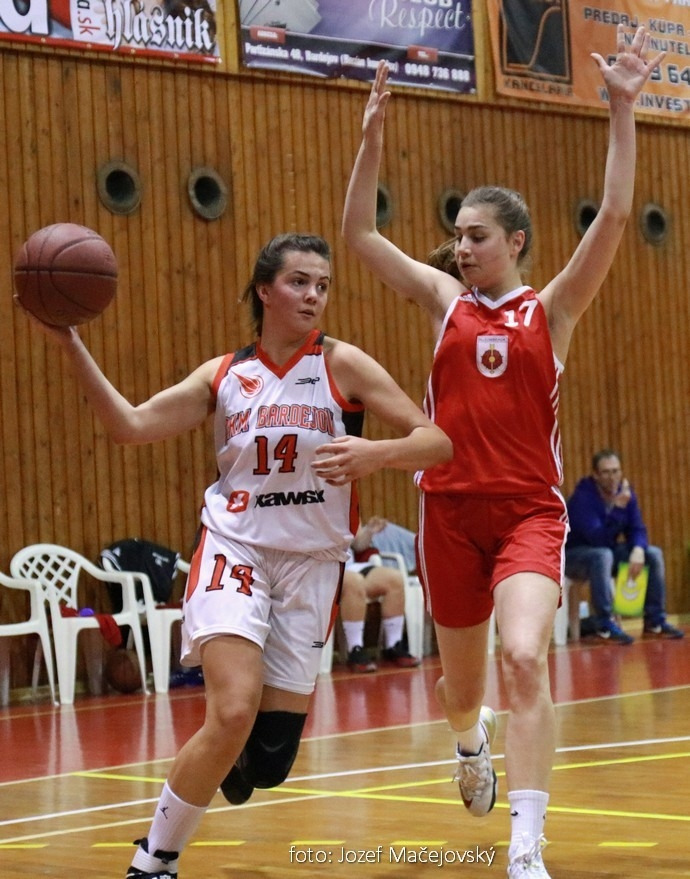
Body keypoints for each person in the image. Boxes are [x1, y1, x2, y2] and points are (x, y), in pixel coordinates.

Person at [15, 232, 452, 879]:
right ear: (264, 290)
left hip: (312, 563)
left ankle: (229, 758)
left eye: (323, 285)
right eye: (299, 281)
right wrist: (69, 341)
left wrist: (376, 453)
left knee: (268, 762)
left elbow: (437, 441)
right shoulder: (224, 376)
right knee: (232, 708)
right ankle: (154, 860)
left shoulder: (344, 365)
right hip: (235, 548)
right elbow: (130, 425)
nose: (314, 295)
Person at [342, 27, 662, 879]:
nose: (461, 246)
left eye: (476, 234)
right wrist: (371, 141)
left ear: (514, 241)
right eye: (457, 234)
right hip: (448, 511)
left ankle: (526, 848)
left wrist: (622, 110)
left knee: (523, 657)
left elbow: (615, 215)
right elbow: (360, 235)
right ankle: (466, 741)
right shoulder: (444, 300)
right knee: (461, 691)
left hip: (526, 512)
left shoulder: (552, 311)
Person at [565, 449, 684, 644]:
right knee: (602, 555)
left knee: (652, 554)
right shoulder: (583, 498)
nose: (612, 477)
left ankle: (654, 621)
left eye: (616, 471)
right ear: (595, 475)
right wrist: (618, 510)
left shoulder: (625, 493)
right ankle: (603, 625)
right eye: (606, 472)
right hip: (575, 557)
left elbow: (637, 528)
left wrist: (638, 549)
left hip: (606, 553)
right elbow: (598, 539)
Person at [341, 519, 420, 672]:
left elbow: (357, 544)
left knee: (394, 579)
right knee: (354, 582)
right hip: (323, 567)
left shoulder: (347, 505)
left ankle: (393, 645)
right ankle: (355, 648)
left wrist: (369, 531)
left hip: (350, 566)